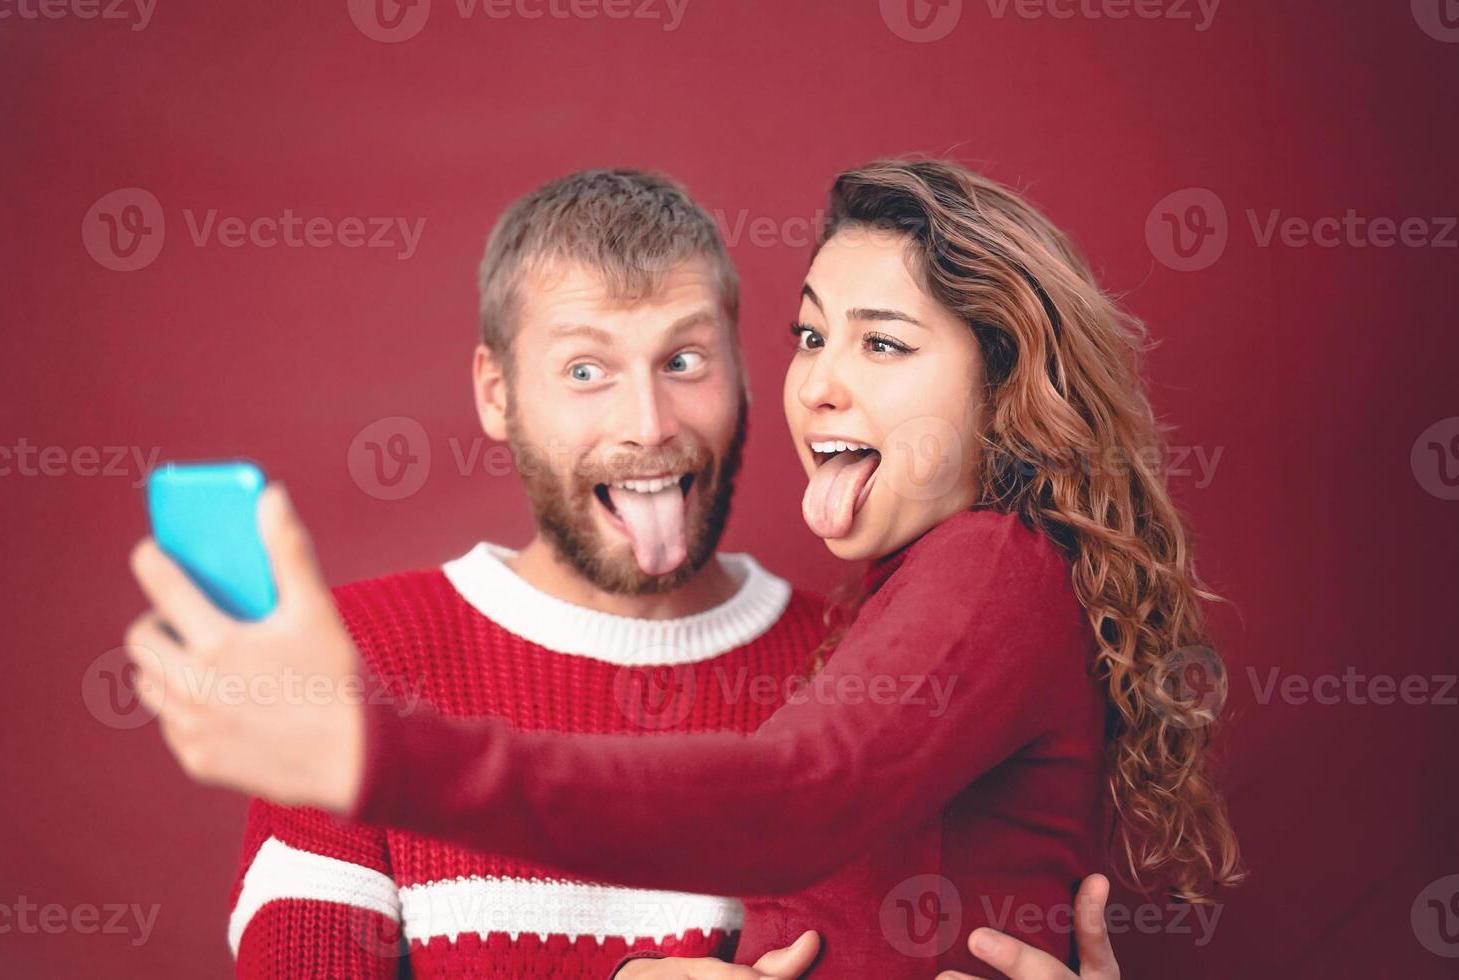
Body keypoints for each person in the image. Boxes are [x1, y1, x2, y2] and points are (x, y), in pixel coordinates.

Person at [124, 163, 1202, 976]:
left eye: (684, 360)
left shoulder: (895, 623)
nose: (646, 422)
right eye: (587, 367)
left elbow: (792, 799)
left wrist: (380, 754)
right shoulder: (352, 663)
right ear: (496, 394)